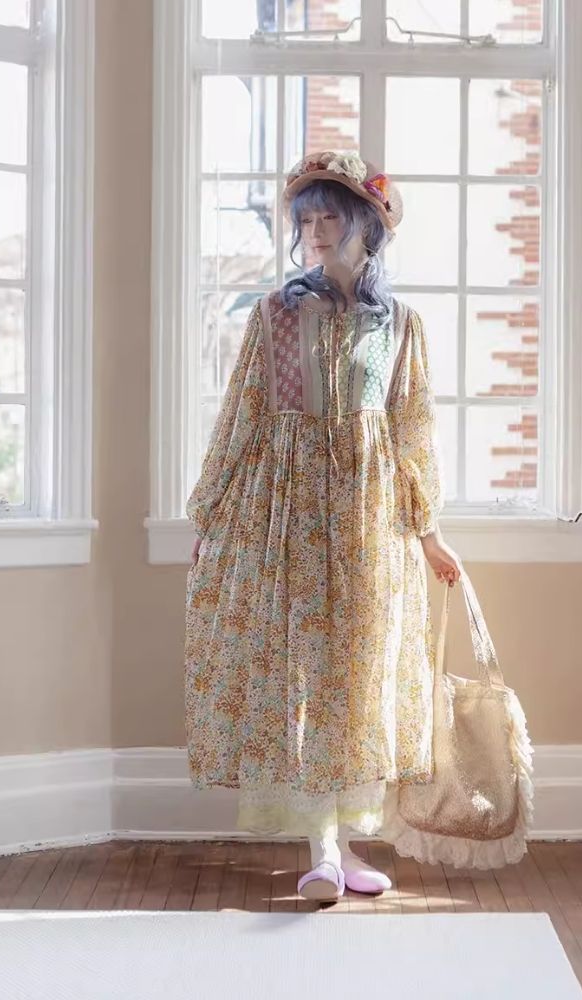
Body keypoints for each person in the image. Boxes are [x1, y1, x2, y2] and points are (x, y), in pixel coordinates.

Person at [184, 150, 463, 903]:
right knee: (302, 673)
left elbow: (413, 432)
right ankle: (323, 851)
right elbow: (242, 415)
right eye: (304, 218)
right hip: (288, 515)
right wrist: (209, 512)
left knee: (358, 675)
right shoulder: (274, 314)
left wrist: (429, 531)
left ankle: (346, 842)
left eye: (329, 216)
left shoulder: (400, 325)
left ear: (366, 225)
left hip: (371, 520)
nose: (313, 231)